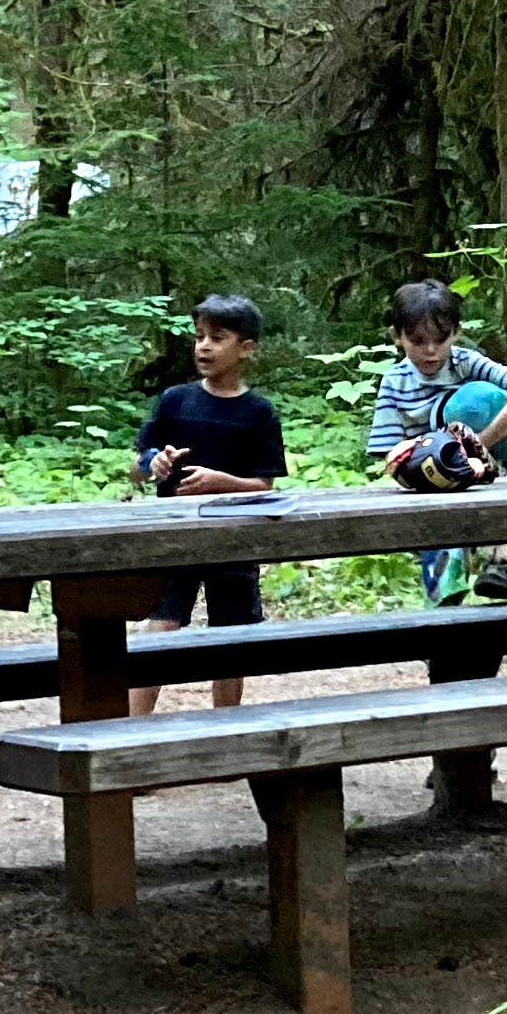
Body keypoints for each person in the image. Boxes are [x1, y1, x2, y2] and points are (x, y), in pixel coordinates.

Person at [130, 294, 286, 713]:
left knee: (230, 639)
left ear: (246, 348)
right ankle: (130, 730)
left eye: (217, 338)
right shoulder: (175, 400)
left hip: (233, 542)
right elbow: (138, 465)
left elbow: (263, 484)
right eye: (199, 336)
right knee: (160, 628)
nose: (204, 346)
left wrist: (222, 484)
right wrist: (155, 463)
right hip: (174, 536)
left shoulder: (259, 414)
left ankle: (226, 728)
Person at [366, 279, 507, 603]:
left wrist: (479, 445)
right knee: (443, 569)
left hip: (494, 471)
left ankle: (498, 561)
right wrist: (431, 464)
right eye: (418, 340)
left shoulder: (467, 362)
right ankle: (446, 601)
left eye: (441, 339)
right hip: (432, 479)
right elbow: (388, 452)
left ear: (457, 333)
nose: (431, 350)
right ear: (398, 337)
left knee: (472, 401)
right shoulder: (395, 381)